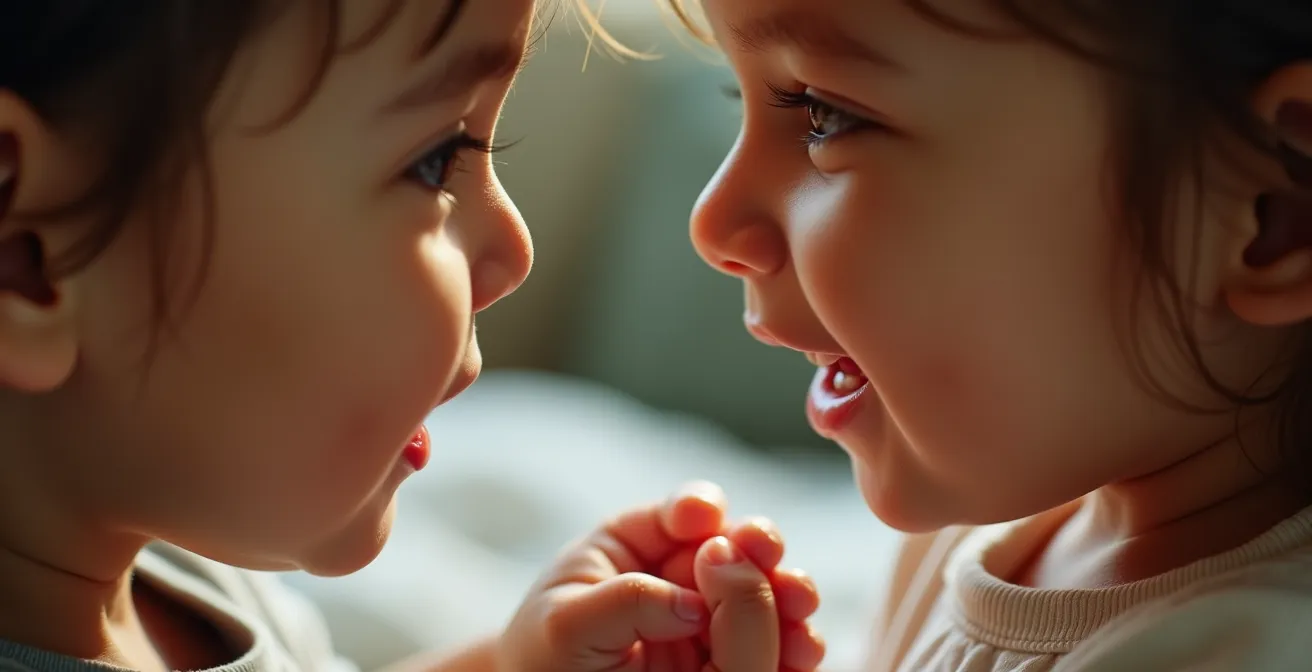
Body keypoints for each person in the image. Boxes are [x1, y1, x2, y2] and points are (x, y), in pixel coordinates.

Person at [0, 1, 824, 670]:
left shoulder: (158, 566)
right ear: (27, 258)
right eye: (436, 159)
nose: (514, 251)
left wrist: (520, 663)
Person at [671, 0, 1312, 669]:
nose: (711, 222)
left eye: (824, 115)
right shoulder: (965, 549)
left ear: (1275, 215)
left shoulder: (1254, 649)